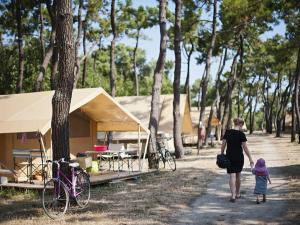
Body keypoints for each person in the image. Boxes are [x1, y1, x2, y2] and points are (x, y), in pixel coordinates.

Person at [221, 118, 254, 202]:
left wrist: (222, 154)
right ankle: (238, 193)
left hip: (229, 157)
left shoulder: (227, 132)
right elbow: (245, 148)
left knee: (232, 175)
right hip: (239, 157)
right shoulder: (241, 134)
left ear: (234, 123)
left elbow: (223, 145)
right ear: (241, 124)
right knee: (238, 175)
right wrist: (250, 158)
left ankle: (232, 196)